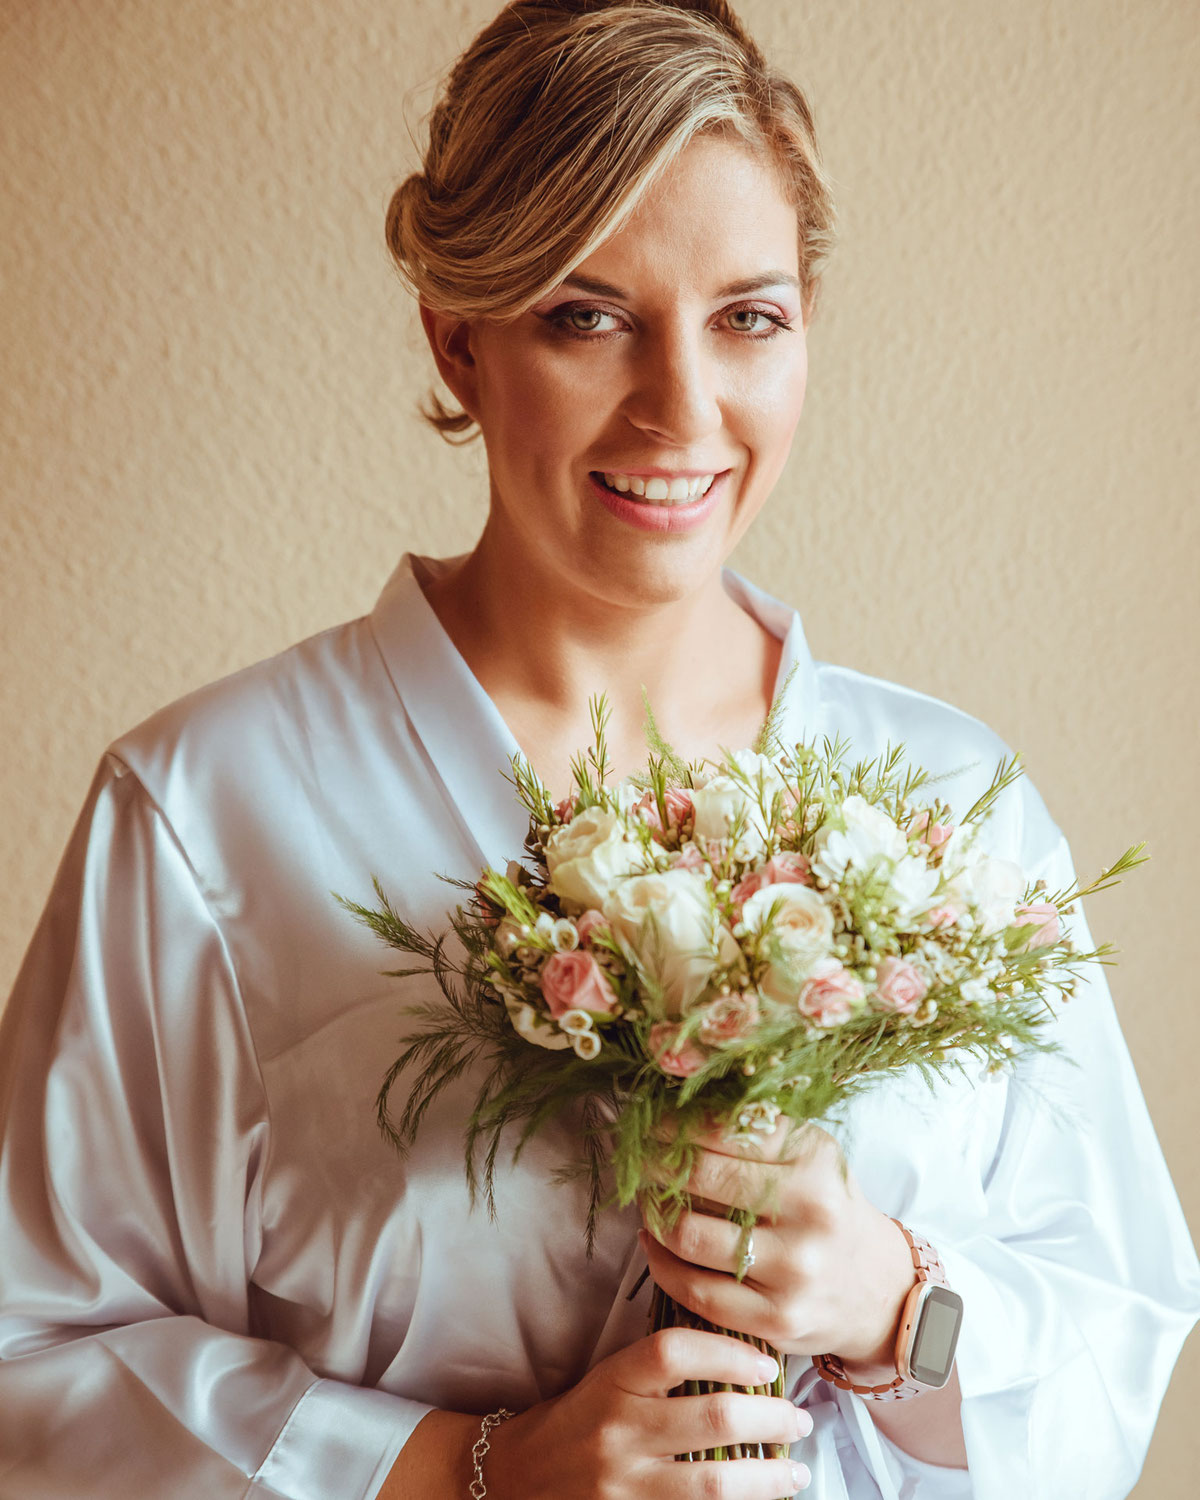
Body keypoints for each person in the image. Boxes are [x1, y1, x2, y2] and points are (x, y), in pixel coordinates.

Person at [0, 2, 1196, 1497]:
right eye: (588, 315)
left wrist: (896, 1303)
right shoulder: (206, 818)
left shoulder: (959, 808)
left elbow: (1121, 1330)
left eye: (748, 317)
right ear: (460, 338)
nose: (682, 410)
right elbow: (28, 1365)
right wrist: (467, 1473)